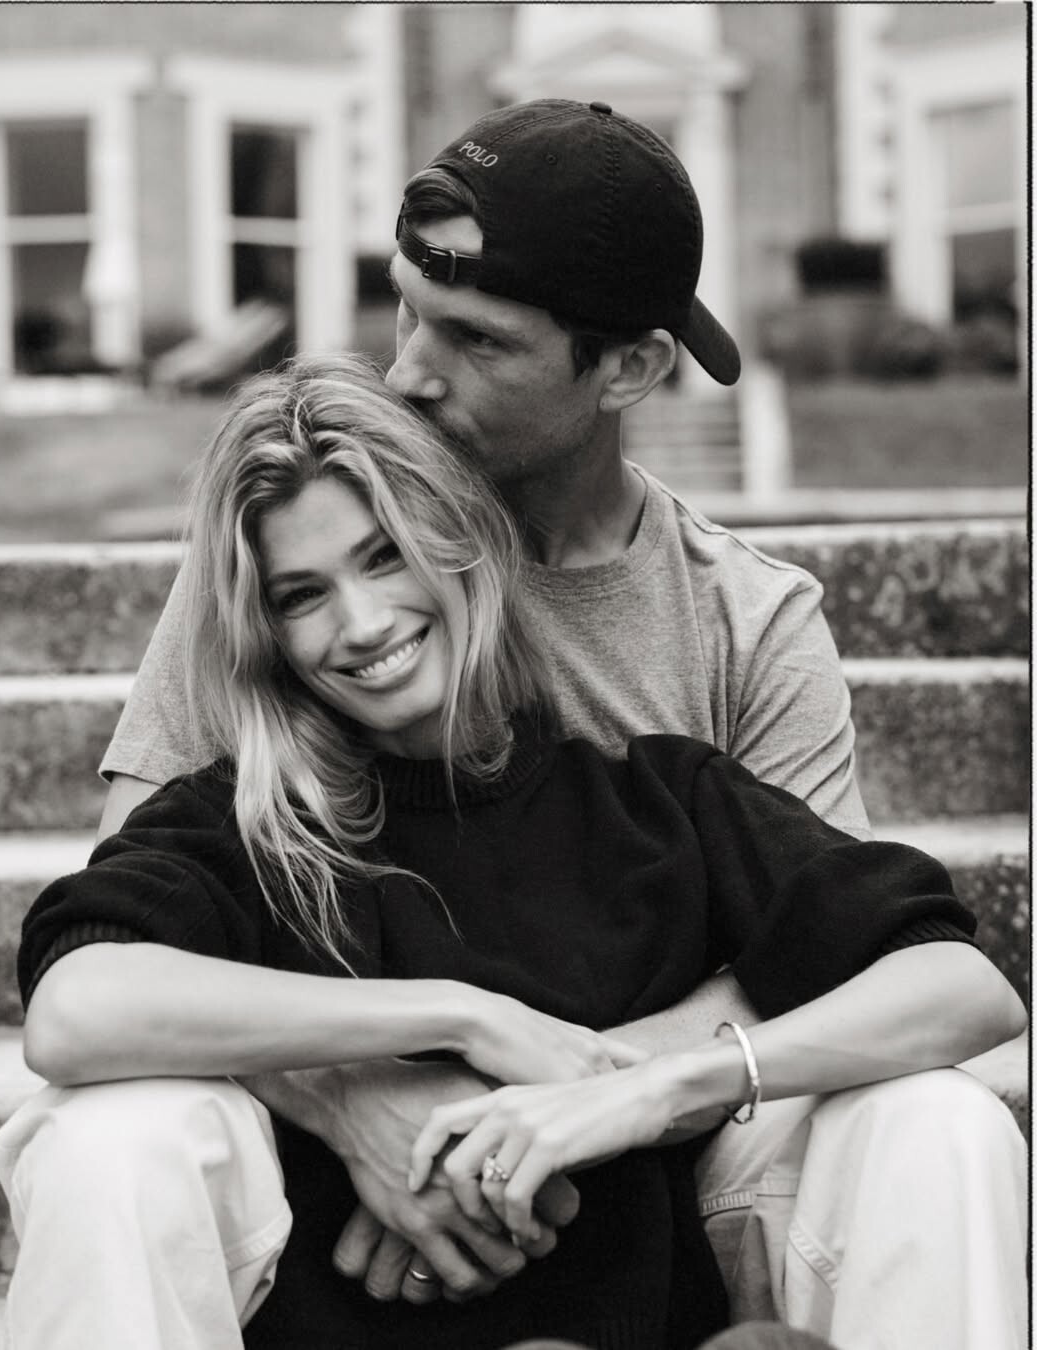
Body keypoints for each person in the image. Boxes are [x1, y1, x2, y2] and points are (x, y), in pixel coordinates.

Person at [72, 100, 1021, 1344]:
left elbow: (830, 960)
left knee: (937, 1122)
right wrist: (351, 1097)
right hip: (334, 1133)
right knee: (112, 1132)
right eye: (408, 309)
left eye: (475, 338)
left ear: (627, 368)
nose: (410, 370)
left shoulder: (743, 622)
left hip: (667, 1143)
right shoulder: (298, 537)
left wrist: (534, 1115)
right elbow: (130, 954)